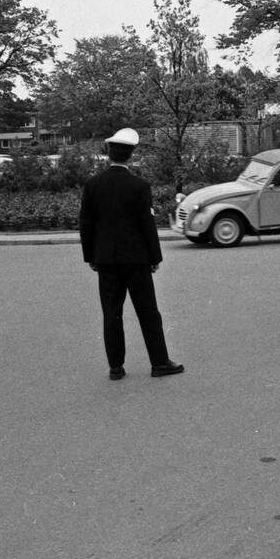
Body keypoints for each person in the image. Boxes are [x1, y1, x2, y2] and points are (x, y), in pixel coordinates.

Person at [79, 127, 184, 381]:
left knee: (111, 313)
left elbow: (86, 223)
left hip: (105, 260)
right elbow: (146, 224)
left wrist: (90, 256)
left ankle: (116, 367)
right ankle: (159, 362)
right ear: (131, 156)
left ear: (108, 155)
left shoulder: (93, 185)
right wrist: (155, 258)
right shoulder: (139, 186)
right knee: (148, 312)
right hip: (136, 260)